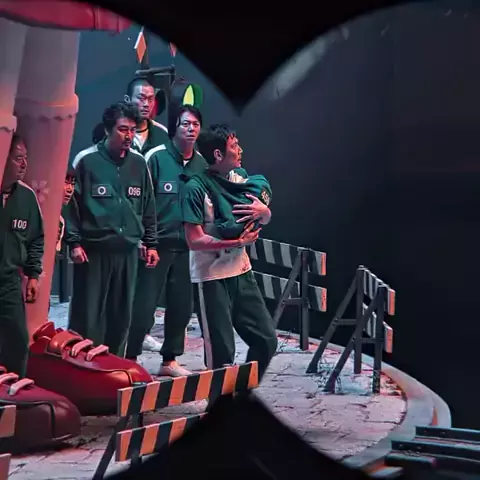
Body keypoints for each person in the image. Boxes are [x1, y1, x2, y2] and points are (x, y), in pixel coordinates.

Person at [181, 124, 277, 380]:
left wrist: (264, 213)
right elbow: (194, 240)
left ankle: (242, 391)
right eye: (234, 146)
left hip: (241, 273)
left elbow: (262, 216)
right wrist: (234, 242)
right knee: (221, 356)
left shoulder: (241, 179)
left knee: (266, 340)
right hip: (211, 278)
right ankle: (219, 400)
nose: (240, 150)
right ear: (218, 155)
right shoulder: (195, 188)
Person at [64, 101, 159, 357]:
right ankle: (82, 367)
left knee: (121, 316)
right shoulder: (86, 161)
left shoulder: (139, 163)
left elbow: (148, 205)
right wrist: (74, 242)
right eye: (123, 129)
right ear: (108, 130)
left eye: (132, 130)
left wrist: (151, 243)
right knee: (88, 316)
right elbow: (70, 206)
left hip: (128, 253)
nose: (128, 136)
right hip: (93, 253)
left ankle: (114, 365)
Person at [126, 105, 207, 377]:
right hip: (155, 247)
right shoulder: (156, 158)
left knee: (182, 307)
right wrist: (144, 240)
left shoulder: (202, 165)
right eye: (186, 124)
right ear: (175, 127)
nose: (191, 129)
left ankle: (169, 361)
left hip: (187, 249)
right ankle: (130, 358)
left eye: (195, 124)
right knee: (143, 306)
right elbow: (139, 202)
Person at [0, 134, 44, 377]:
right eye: (18, 158)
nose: (24, 164)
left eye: (26, 158)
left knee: (18, 340)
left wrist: (33, 275)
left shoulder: (27, 198)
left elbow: (36, 238)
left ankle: (15, 389)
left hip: (9, 283)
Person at [124, 76, 169, 155]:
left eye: (150, 99)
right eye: (141, 98)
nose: (146, 104)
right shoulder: (116, 132)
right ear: (127, 99)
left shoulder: (162, 133)